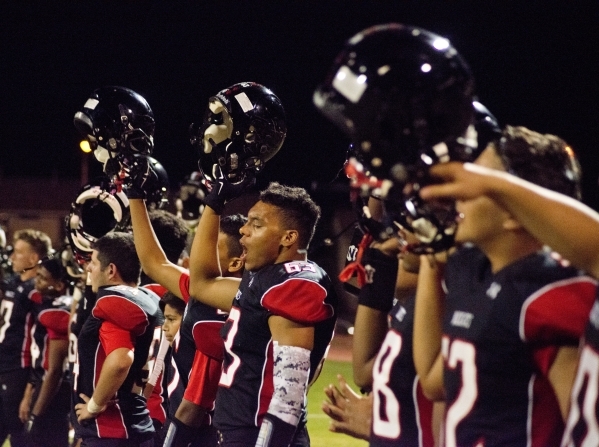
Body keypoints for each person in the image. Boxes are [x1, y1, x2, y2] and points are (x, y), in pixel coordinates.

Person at [412, 126, 597, 446]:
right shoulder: (476, 273)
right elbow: (432, 381)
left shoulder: (549, 288)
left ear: (515, 212)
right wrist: (432, 262)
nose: (459, 196)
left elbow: (583, 431)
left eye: (478, 184)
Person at [189, 178, 339, 447]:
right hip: (238, 430)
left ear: (288, 237)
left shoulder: (295, 283)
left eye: (256, 224)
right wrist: (214, 203)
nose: (243, 231)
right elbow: (201, 284)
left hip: (257, 434)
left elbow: (288, 397)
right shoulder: (261, 278)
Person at [126, 168, 246, 447]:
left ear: (236, 262)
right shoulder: (203, 290)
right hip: (192, 422)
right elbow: (154, 263)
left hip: (210, 430)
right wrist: (135, 196)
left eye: (210, 245)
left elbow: (196, 403)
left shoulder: (226, 307)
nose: (198, 251)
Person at [72, 232, 163, 447]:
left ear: (111, 270)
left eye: (93, 263)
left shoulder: (114, 302)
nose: (88, 269)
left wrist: (94, 405)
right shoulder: (150, 297)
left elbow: (121, 360)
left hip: (113, 430)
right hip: (137, 421)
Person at [0, 228, 52, 447]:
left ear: (33, 258)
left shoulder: (37, 291)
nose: (12, 257)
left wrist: (30, 387)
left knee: (20, 435)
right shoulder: (13, 282)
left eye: (19, 252)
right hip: (4, 365)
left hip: (18, 371)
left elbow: (41, 342)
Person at [23, 257, 72, 447]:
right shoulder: (44, 304)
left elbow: (54, 371)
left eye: (43, 279)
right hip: (44, 384)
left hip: (54, 391)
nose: (37, 283)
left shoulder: (57, 311)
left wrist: (37, 414)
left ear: (59, 285)